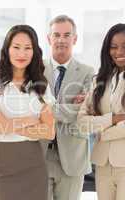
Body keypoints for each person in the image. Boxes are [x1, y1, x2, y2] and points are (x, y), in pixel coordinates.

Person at [77, 23, 125, 200]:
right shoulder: (99, 79)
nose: (119, 51)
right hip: (103, 164)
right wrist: (112, 119)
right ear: (107, 50)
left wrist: (101, 132)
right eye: (113, 47)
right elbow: (81, 123)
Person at [0, 24, 55, 200]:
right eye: (16, 47)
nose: (22, 53)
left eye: (28, 48)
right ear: (7, 49)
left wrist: (7, 125)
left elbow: (49, 131)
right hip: (5, 165)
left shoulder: (41, 86)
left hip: (35, 165)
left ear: (34, 51)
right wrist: (30, 120)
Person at [42, 15, 94, 200]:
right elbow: (30, 109)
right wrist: (69, 108)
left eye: (67, 34)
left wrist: (46, 109)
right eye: (56, 34)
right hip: (40, 155)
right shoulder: (36, 69)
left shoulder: (88, 72)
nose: (61, 39)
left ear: (75, 39)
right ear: (49, 39)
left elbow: (83, 111)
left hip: (73, 156)